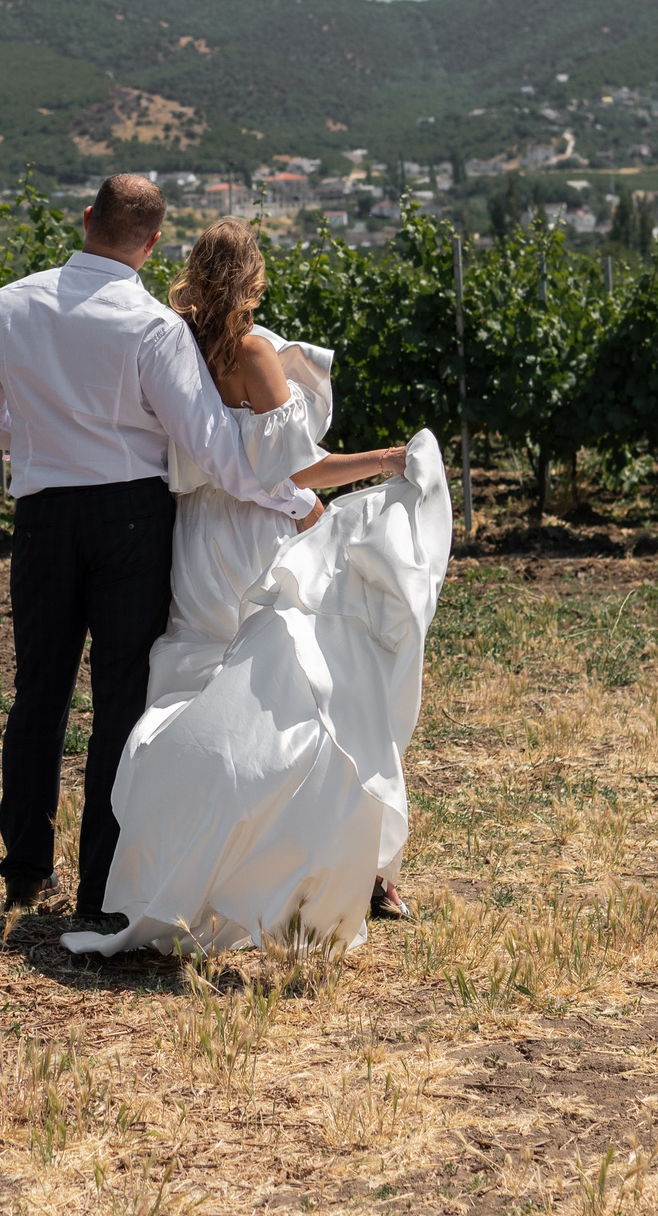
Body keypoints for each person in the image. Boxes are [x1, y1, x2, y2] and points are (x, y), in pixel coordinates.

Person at [60, 218, 448, 959]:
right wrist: (388, 457)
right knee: (298, 697)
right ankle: (311, 868)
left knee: (203, 692)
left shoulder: (172, 344)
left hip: (194, 539)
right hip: (253, 538)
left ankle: (194, 869)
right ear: (254, 277)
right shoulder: (253, 352)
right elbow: (289, 471)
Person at [0, 176, 320, 918]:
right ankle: (102, 886)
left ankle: (25, 869)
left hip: (43, 517)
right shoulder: (154, 328)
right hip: (131, 520)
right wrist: (292, 497)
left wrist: (40, 437)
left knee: (39, 693)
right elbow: (215, 450)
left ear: (86, 218)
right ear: (153, 244)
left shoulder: (6, 305)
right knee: (122, 700)